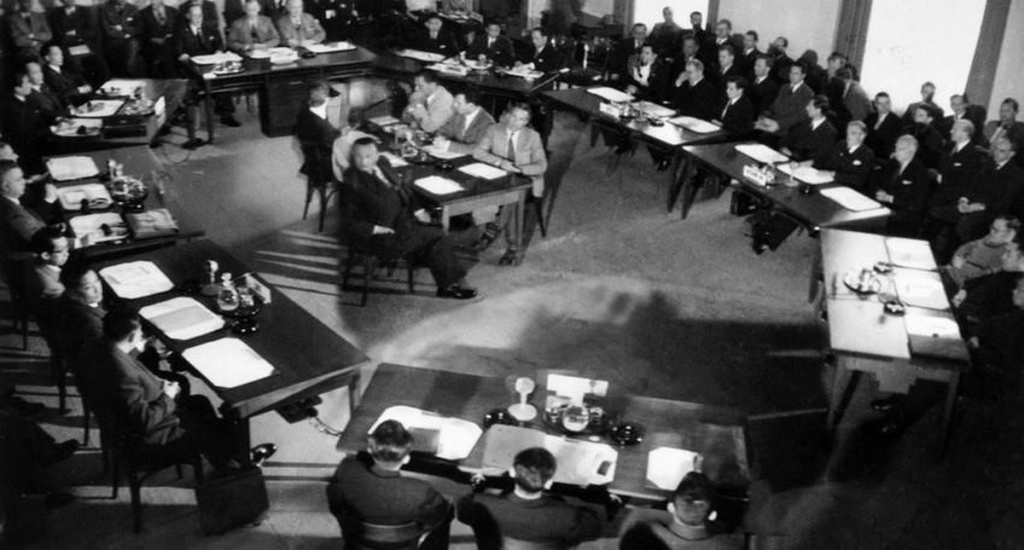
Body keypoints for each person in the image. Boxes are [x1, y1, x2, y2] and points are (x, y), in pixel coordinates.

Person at [76, 308, 276, 471]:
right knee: (218, 421)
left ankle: (227, 459)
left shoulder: (101, 346)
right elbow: (145, 421)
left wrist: (156, 383)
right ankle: (238, 465)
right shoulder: (122, 373)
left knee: (200, 403)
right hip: (149, 439)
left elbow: (129, 366)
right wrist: (168, 396)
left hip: (124, 421)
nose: (141, 335)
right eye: (139, 333)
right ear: (131, 336)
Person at [339, 137, 478, 299]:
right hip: (383, 237)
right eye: (358, 156)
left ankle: (443, 276)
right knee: (438, 236)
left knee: (436, 227)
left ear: (377, 155)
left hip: (403, 221)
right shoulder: (351, 182)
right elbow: (347, 221)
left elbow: (402, 188)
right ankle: (449, 285)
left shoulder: (383, 164)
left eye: (368, 156)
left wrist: (418, 211)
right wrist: (377, 229)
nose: (363, 161)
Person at [326, 420, 453, 549]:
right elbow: (436, 517)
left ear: (369, 450)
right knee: (449, 510)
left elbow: (335, 505)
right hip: (403, 545)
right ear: (406, 458)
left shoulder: (346, 469)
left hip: (358, 540)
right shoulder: (421, 490)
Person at [457, 447, 604, 550]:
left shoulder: (478, 504)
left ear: (512, 472)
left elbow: (463, 516)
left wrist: (489, 491)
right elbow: (595, 529)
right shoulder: (569, 517)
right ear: (549, 482)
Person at [473, 102, 547, 265]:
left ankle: (494, 230)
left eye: (521, 119)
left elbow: (542, 165)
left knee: (513, 196)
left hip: (525, 179)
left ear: (526, 122)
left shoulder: (533, 136)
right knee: (511, 198)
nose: (515, 122)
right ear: (508, 116)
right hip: (499, 176)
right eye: (513, 116)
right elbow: (478, 152)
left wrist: (520, 169)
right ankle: (512, 247)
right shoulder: (494, 130)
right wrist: (500, 162)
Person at [619, 472, 741, 550]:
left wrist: (680, 514)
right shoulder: (727, 545)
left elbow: (639, 513)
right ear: (712, 515)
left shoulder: (641, 532)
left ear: (671, 507)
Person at [175, 2, 240, 145]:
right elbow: (179, 51)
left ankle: (226, 115)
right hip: (191, 69)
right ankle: (191, 120)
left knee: (222, 82)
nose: (198, 19)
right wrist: (184, 56)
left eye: (200, 15)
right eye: (194, 16)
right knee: (193, 87)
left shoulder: (210, 28)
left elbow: (220, 44)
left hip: (210, 65)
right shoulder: (181, 31)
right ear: (188, 16)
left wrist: (218, 51)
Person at [927, 119, 988, 258]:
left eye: (955, 129)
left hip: (953, 203)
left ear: (965, 133)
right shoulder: (949, 147)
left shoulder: (973, 155)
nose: (951, 131)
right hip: (938, 197)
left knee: (946, 240)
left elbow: (968, 182)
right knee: (929, 234)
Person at [953, 137, 1024, 242]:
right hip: (971, 203)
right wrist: (964, 199)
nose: (996, 153)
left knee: (967, 224)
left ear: (1011, 154)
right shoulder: (987, 163)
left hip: (990, 210)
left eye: (1002, 151)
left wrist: (980, 206)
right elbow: (972, 184)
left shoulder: (1016, 174)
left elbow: (1004, 201)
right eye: (996, 148)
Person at [872, 135, 931, 237]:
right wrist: (878, 190)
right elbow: (877, 181)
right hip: (885, 211)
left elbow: (917, 203)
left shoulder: (920, 172)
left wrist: (890, 198)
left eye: (900, 149)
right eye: (896, 148)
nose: (895, 152)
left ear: (911, 151)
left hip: (904, 219)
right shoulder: (892, 164)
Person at [942, 216, 1020, 288]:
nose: (991, 232)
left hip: (961, 282)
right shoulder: (989, 238)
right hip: (953, 270)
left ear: (1010, 233)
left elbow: (983, 276)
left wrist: (959, 268)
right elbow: (968, 246)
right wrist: (958, 256)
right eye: (992, 227)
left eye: (996, 230)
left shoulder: (1007, 253)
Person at [47, 0, 109, 84]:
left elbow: (92, 31)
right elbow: (58, 35)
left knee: (100, 64)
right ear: (62, 1)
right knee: (74, 64)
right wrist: (75, 37)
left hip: (85, 44)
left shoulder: (85, 11)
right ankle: (84, 88)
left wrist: (76, 34)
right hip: (67, 47)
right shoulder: (55, 14)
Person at [4, 72, 51, 173]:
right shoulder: (13, 109)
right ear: (17, 88)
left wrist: (58, 120)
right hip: (26, 152)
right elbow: (26, 134)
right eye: (27, 82)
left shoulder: (30, 98)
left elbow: (42, 114)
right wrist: (51, 129)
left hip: (38, 141)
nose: (30, 85)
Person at [755, 62, 813, 137]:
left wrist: (779, 124)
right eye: (791, 72)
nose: (792, 76)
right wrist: (764, 115)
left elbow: (799, 116)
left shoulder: (807, 93)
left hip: (788, 130)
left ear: (803, 76)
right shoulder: (784, 87)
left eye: (796, 74)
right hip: (774, 122)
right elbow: (775, 106)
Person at [434, 88, 495, 155]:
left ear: (471, 106)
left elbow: (478, 149)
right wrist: (440, 137)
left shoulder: (487, 122)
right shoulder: (458, 114)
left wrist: (448, 146)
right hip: (456, 155)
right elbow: (445, 131)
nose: (454, 105)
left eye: (458, 103)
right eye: (454, 101)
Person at [779, 96, 837, 167]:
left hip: (805, 167)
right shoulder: (803, 122)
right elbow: (788, 138)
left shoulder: (829, 132)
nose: (806, 108)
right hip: (787, 160)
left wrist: (793, 155)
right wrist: (784, 147)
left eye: (809, 106)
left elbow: (820, 157)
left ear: (818, 110)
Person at [819, 120, 874, 190]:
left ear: (862, 136)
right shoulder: (841, 144)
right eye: (847, 133)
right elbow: (828, 161)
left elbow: (860, 180)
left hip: (849, 188)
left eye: (853, 133)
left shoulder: (866, 154)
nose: (848, 136)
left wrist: (834, 174)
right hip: (830, 181)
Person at [98, 0, 143, 77]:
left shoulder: (133, 8)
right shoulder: (104, 8)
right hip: (113, 41)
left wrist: (123, 28)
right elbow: (107, 30)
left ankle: (129, 71)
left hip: (130, 41)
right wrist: (124, 35)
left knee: (133, 45)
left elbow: (139, 28)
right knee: (131, 46)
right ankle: (128, 72)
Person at [140, 0, 179, 77]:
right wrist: (153, 39)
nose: (152, 2)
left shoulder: (173, 11)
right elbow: (141, 33)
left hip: (172, 45)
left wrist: (172, 36)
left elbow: (179, 30)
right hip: (152, 46)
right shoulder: (143, 13)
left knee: (168, 47)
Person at [903, 104, 945, 170]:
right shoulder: (907, 130)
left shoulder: (935, 136)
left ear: (930, 119)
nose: (916, 118)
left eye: (921, 115)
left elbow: (931, 158)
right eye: (916, 115)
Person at [25, 60, 68, 125]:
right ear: (26, 76)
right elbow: (42, 114)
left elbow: (59, 97)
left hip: (64, 119)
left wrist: (69, 106)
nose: (40, 75)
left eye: (40, 71)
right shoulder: (28, 94)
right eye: (35, 73)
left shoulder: (44, 86)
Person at [984, 98, 1024, 166]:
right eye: (1001, 110)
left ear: (1016, 112)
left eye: (1007, 111)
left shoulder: (1019, 129)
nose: (1003, 113)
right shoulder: (991, 125)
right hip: (983, 157)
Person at [864, 92, 901, 159]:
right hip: (866, 153)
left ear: (890, 103)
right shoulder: (870, 117)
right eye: (880, 103)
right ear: (875, 104)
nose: (884, 106)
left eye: (886, 103)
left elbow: (893, 144)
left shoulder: (897, 121)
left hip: (883, 157)